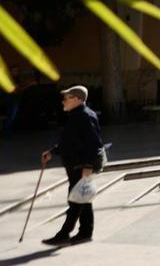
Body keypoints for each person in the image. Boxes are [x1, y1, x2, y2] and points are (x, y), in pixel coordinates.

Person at [39, 86, 103, 247]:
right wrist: (53, 152)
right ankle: (85, 232)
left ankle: (63, 234)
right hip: (76, 164)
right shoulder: (76, 115)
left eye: (66, 98)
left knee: (75, 200)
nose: (63, 101)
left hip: (81, 165)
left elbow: (94, 143)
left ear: (77, 99)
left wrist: (88, 165)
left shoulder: (85, 116)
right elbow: (69, 141)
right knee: (83, 197)